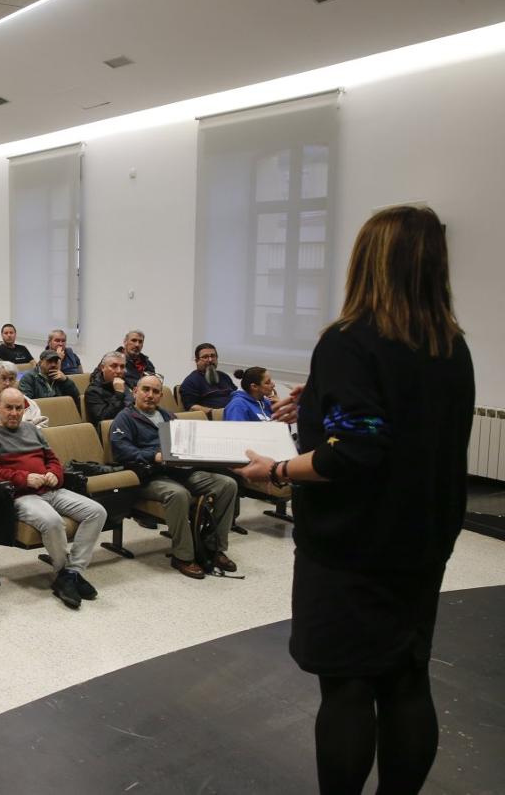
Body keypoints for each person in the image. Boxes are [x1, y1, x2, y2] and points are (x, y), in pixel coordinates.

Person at [235, 206, 473, 795]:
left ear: (369, 261)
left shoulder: (350, 340)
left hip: (354, 546)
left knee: (347, 687)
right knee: (406, 681)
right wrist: (318, 400)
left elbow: (355, 451)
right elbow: (402, 420)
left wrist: (277, 470)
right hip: (422, 539)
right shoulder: (449, 346)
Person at [0, 388, 107, 608]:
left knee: (97, 512)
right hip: (21, 496)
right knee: (53, 521)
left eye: (19, 408)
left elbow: (53, 460)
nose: (14, 413)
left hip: (50, 490)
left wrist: (54, 474)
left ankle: (71, 573)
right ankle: (65, 572)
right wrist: (24, 478)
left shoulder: (32, 430)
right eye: (9, 408)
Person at [109, 373, 237, 579]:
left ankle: (213, 547)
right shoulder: (124, 418)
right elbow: (122, 451)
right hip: (149, 476)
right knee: (178, 494)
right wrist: (154, 455)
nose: (150, 395)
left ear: (161, 396)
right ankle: (183, 556)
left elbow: (183, 442)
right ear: (135, 392)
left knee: (227, 484)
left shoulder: (169, 416)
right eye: (145, 390)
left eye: (155, 391)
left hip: (180, 471)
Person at [0, 361, 47, 435]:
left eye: (11, 379)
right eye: (3, 378)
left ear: (16, 380)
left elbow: (41, 427)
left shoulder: (28, 403)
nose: (7, 383)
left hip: (26, 442)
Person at [178, 342, 236, 412]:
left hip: (235, 412)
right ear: (197, 361)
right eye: (205, 357)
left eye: (213, 356)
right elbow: (191, 407)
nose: (210, 360)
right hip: (213, 417)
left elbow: (235, 395)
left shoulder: (224, 376)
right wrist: (215, 413)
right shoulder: (191, 381)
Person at [83, 352, 134, 424]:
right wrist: (119, 394)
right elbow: (103, 419)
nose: (119, 371)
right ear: (102, 367)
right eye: (114, 366)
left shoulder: (126, 383)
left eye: (122, 367)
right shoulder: (92, 391)